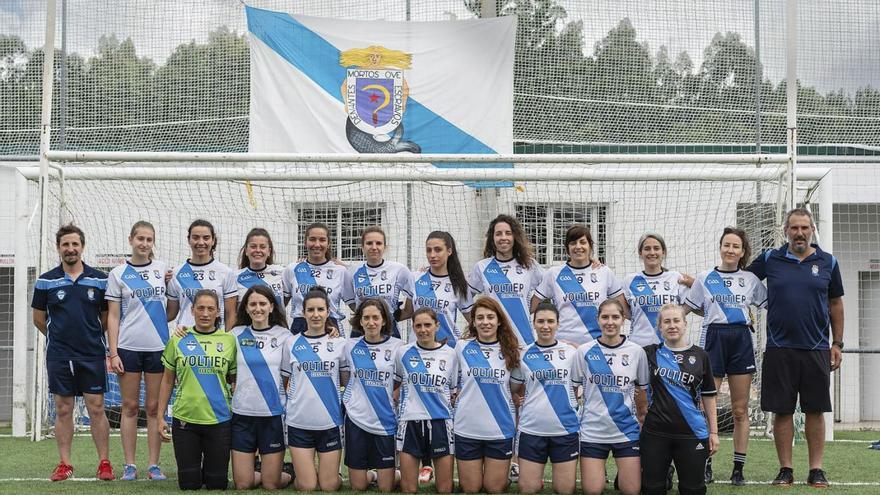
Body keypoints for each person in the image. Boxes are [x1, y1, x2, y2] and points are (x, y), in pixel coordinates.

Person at [746, 207, 845, 488]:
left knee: (815, 410)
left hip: (816, 349)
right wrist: (705, 282)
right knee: (782, 411)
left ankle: (816, 469)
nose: (799, 233)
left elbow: (836, 303)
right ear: (785, 231)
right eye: (794, 228)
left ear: (812, 230)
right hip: (778, 348)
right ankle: (785, 469)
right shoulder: (770, 259)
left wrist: (837, 343)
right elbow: (740, 281)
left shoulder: (829, 262)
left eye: (804, 227)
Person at [683, 227, 766, 485]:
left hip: (741, 340)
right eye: (726, 245)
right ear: (720, 247)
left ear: (743, 252)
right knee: (706, 406)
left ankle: (738, 468)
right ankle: (705, 462)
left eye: (736, 246)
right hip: (714, 341)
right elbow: (687, 309)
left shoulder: (750, 279)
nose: (730, 250)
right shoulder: (705, 277)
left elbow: (771, 304)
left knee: (740, 409)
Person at [32, 224, 115, 481]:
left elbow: (105, 317)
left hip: (91, 353)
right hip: (59, 355)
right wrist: (61, 338)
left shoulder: (99, 279)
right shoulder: (45, 280)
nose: (70, 249)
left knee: (97, 408)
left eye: (75, 244)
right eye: (65, 244)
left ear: (82, 247)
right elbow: (38, 319)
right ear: (59, 248)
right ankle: (65, 463)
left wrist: (87, 337)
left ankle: (104, 463)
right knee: (63, 409)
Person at [106, 221, 169, 481]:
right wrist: (113, 352)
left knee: (154, 408)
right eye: (140, 238)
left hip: (158, 348)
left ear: (153, 242)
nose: (144, 243)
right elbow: (112, 315)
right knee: (130, 407)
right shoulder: (118, 273)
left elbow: (172, 308)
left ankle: (153, 465)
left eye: (149, 239)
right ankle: (130, 465)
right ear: (131, 239)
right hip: (128, 347)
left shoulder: (163, 270)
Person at [157, 289, 237, 490]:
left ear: (218, 312)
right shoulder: (178, 339)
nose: (205, 313)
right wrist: (159, 417)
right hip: (186, 420)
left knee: (217, 484)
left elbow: (235, 381)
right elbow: (167, 381)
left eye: (211, 309)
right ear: (192, 310)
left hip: (219, 420)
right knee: (189, 485)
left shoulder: (229, 341)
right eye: (200, 308)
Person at [573, 298, 649, 495]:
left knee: (632, 490)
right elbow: (573, 390)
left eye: (615, 317)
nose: (610, 322)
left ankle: (623, 473)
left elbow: (642, 390)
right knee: (592, 490)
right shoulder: (584, 351)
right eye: (605, 317)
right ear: (597, 319)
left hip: (625, 430)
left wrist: (642, 417)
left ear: (623, 319)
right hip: (593, 430)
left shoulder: (636, 352)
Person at [641, 304, 719, 495]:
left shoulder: (701, 355)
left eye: (676, 321)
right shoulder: (648, 353)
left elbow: (709, 397)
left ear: (685, 324)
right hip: (656, 433)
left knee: (693, 489)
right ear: (659, 327)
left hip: (692, 432)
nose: (672, 325)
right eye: (666, 321)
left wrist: (714, 433)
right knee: (653, 489)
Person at [508, 299, 579, 495]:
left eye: (550, 321)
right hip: (532, 428)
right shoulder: (523, 355)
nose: (545, 326)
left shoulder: (572, 352)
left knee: (565, 490)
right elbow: (514, 388)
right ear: (534, 323)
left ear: (558, 323)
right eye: (540, 321)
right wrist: (519, 398)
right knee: (527, 489)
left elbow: (581, 383)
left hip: (565, 429)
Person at [281, 287, 347, 491]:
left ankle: (332, 473)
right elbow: (284, 380)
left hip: (329, 422)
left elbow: (345, 380)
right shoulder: (291, 343)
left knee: (328, 486)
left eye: (320, 309)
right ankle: (296, 471)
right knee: (307, 487)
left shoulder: (340, 344)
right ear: (303, 312)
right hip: (299, 422)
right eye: (311, 310)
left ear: (328, 311)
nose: (316, 315)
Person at [454, 297, 520, 494]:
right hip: (467, 428)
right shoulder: (461, 347)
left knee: (493, 488)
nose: (485, 322)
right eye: (480, 317)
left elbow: (516, 389)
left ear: (499, 320)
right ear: (473, 321)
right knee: (471, 488)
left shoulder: (511, 351)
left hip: (499, 429)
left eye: (490, 317)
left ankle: (510, 473)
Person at [230, 285, 293, 490]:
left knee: (271, 484)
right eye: (253, 304)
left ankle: (288, 473)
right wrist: (183, 331)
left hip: (272, 415)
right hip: (242, 414)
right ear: (246, 309)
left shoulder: (285, 336)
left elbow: (290, 373)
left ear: (272, 307)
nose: (258, 308)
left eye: (263, 303)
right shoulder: (235, 334)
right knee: (243, 484)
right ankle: (258, 468)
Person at [394, 308, 458, 494]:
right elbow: (396, 382)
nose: (423, 330)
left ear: (437, 326)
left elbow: (452, 388)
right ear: (413, 327)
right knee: (409, 489)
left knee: (445, 489)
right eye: (418, 326)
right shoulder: (403, 352)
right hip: (410, 422)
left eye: (428, 325)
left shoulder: (450, 354)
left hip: (440, 421)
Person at [343, 298, 404, 492]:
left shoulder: (398, 347)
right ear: (359, 321)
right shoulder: (348, 345)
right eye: (366, 318)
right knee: (358, 486)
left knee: (386, 489)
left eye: (375, 318)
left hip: (385, 421)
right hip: (356, 419)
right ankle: (374, 475)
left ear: (384, 320)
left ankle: (402, 472)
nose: (371, 322)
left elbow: (402, 379)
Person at [533, 223, 626, 346]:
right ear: (567, 248)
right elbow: (531, 306)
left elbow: (624, 310)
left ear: (590, 246)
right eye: (573, 243)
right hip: (564, 345)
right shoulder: (553, 274)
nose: (578, 247)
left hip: (597, 344)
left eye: (583, 242)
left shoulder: (604, 272)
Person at [469, 214, 544, 346]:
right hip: (493, 341)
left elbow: (552, 283)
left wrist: (531, 307)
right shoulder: (482, 267)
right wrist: (476, 319)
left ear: (515, 237)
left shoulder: (529, 265)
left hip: (523, 340)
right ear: (492, 239)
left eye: (508, 233)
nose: (503, 238)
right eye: (498, 234)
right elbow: (463, 296)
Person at [343, 226, 414, 338]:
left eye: (379, 243)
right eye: (369, 243)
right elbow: (352, 303)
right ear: (362, 247)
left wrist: (388, 317)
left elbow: (410, 306)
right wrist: (366, 315)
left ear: (385, 247)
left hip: (389, 329)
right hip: (361, 329)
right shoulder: (352, 272)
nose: (374, 247)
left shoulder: (400, 270)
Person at [166, 219, 237, 330]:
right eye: (195, 237)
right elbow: (171, 314)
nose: (201, 242)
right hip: (185, 338)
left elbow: (230, 314)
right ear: (188, 240)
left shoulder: (225, 272)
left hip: (215, 340)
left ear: (213, 240)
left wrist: (228, 341)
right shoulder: (175, 273)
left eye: (206, 238)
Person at [622, 233, 691, 347]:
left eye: (656, 248)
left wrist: (693, 282)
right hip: (639, 346)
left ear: (663, 252)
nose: (652, 252)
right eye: (647, 249)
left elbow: (690, 306)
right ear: (640, 253)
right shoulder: (629, 280)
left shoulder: (675, 277)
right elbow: (626, 313)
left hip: (670, 346)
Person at [282, 222, 351, 335]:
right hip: (300, 326)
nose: (317, 244)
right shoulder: (292, 269)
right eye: (312, 239)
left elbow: (356, 305)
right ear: (305, 242)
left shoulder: (341, 271)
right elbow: (280, 306)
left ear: (328, 244)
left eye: (322, 240)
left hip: (331, 329)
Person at [410, 231, 473, 348]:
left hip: (447, 349)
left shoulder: (459, 284)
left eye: (438, 250)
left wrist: (465, 344)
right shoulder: (415, 277)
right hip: (417, 349)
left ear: (449, 251)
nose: (432, 255)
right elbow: (407, 311)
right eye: (429, 250)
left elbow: (473, 322)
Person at [235, 227, 286, 307]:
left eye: (262, 247)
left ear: (269, 251)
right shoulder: (235, 277)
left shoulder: (282, 273)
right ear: (246, 251)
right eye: (253, 246)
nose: (258, 250)